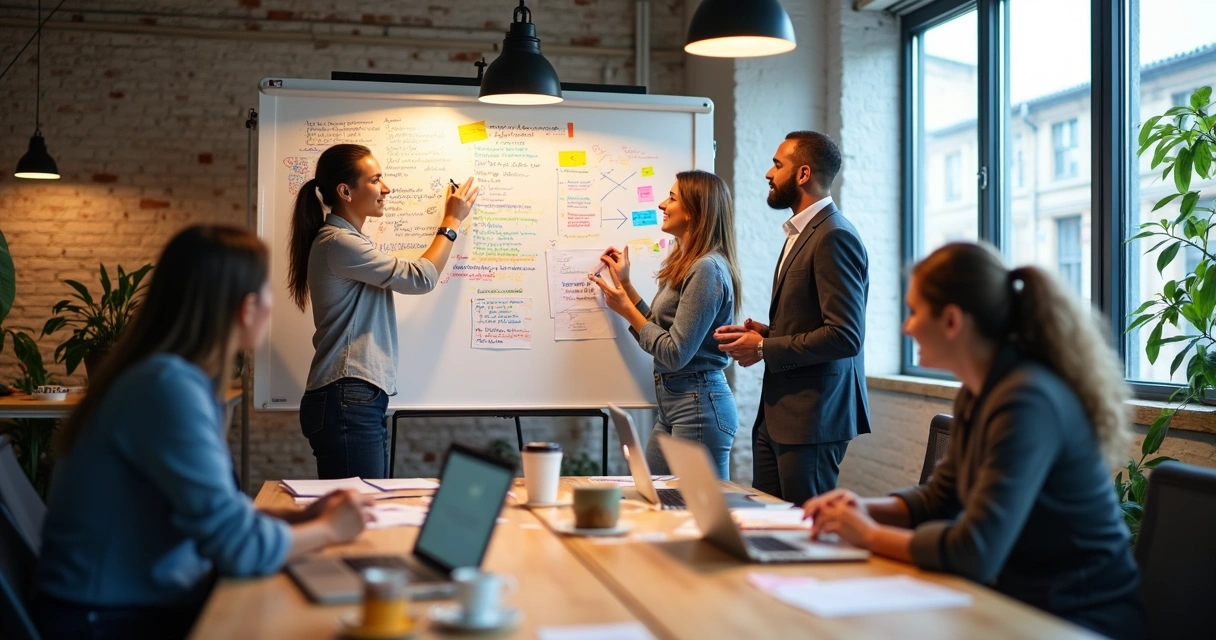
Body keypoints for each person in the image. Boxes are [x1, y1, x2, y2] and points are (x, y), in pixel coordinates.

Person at [33, 226, 373, 640]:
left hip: (118, 605)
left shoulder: (159, 376)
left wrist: (302, 517)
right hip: (107, 620)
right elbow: (238, 550)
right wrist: (330, 531)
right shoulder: (165, 388)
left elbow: (215, 517)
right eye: (267, 291)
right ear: (246, 308)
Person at [803, 242, 1144, 639]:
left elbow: (975, 552)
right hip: (1014, 604)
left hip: (1077, 619)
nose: (906, 326)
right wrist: (859, 507)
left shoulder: (1027, 399)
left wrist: (868, 535)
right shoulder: (978, 391)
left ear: (951, 320)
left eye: (914, 312)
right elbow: (938, 499)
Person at [288, 144, 478, 479]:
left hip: (351, 396)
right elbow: (420, 278)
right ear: (345, 191)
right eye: (376, 180)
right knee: (360, 511)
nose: (386, 188)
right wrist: (451, 220)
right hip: (347, 395)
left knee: (361, 509)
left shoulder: (344, 241)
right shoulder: (338, 242)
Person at [714, 131, 870, 505]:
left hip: (813, 417)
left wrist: (766, 346)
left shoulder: (834, 236)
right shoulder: (798, 234)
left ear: (802, 174)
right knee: (770, 526)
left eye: (777, 164)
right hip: (779, 416)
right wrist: (766, 335)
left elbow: (846, 336)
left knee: (805, 534)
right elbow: (814, 322)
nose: (769, 173)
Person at [589, 170, 742, 478]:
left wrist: (626, 310)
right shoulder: (686, 263)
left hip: (698, 406)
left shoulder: (707, 269)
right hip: (676, 404)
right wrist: (627, 287)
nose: (662, 204)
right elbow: (661, 327)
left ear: (694, 211)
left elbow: (674, 352)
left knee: (698, 514)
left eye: (672, 198)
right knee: (655, 497)